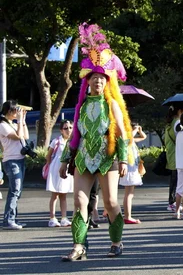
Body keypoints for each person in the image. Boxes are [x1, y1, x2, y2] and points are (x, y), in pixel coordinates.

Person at [59, 23, 133, 261]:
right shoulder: (81, 106)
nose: (98, 82)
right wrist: (64, 161)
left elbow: (121, 132)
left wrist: (123, 158)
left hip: (107, 156)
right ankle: (79, 246)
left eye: (102, 78)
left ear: (107, 82)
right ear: (87, 82)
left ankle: (116, 241)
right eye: (94, 78)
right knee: (79, 201)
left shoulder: (111, 104)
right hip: (83, 157)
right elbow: (74, 136)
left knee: (111, 202)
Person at [0, 100, 29, 230]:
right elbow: (18, 136)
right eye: (14, 111)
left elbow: (26, 136)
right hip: (11, 161)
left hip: (20, 159)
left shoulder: (13, 124)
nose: (16, 113)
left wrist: (22, 121)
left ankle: (13, 219)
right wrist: (19, 121)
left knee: (17, 191)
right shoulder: (2, 125)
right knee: (15, 190)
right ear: (8, 111)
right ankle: (8, 220)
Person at [46, 120, 74, 227]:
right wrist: (51, 167)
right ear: (61, 130)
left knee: (64, 195)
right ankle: (52, 218)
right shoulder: (56, 141)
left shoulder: (73, 141)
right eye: (66, 128)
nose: (69, 130)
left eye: (70, 127)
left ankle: (64, 217)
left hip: (67, 170)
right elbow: (48, 156)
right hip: (56, 170)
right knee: (55, 195)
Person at [119, 122, 147, 224]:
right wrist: (134, 130)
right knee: (128, 194)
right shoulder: (126, 139)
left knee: (130, 194)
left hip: (133, 168)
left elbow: (144, 136)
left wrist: (139, 130)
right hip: (129, 169)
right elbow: (129, 137)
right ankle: (127, 216)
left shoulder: (132, 141)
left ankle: (127, 215)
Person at [165, 104, 183, 211]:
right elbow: (180, 137)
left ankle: (172, 202)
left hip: (171, 153)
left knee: (174, 179)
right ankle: (172, 202)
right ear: (180, 111)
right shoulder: (177, 122)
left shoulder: (169, 123)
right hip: (177, 154)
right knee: (176, 180)